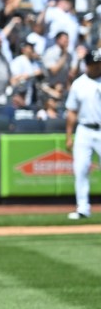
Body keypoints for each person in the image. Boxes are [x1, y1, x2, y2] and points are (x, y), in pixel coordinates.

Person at [65, 48, 101, 219]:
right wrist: (69, 136)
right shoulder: (79, 83)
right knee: (80, 169)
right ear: (88, 64)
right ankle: (82, 208)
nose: (98, 66)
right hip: (84, 130)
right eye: (95, 63)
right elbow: (71, 112)